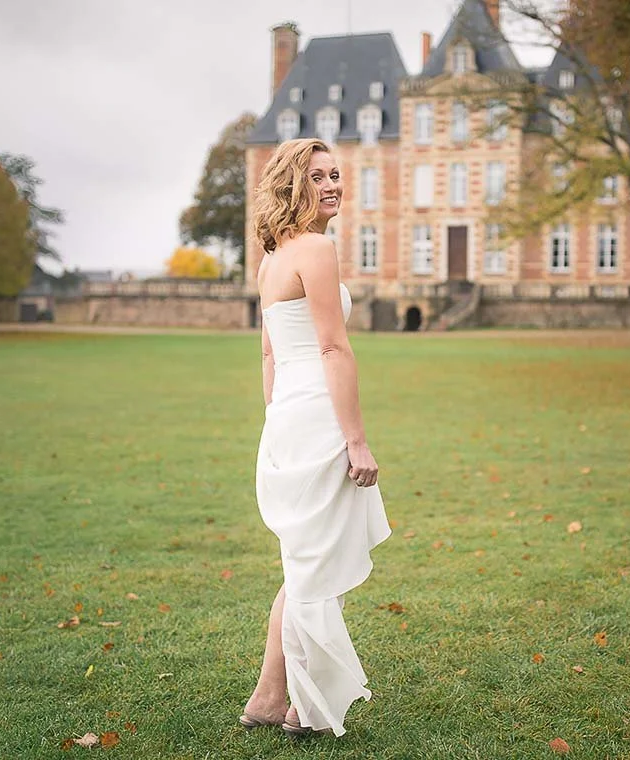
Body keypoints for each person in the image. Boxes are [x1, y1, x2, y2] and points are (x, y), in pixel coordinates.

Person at [238, 138, 392, 739]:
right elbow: (332, 347)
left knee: (306, 561)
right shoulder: (317, 250)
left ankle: (269, 698)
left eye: (336, 174)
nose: (332, 185)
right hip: (319, 415)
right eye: (318, 176)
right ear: (293, 184)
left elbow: (269, 356)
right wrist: (356, 439)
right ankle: (304, 705)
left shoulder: (271, 259)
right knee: (315, 566)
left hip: (288, 414)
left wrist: (278, 421)